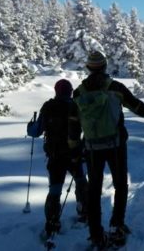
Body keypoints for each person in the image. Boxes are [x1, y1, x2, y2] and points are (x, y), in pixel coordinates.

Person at [69, 51, 144, 250]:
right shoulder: (115, 88)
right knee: (120, 184)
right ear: (104, 66)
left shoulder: (78, 93)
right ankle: (116, 226)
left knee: (93, 190)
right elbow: (139, 108)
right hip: (115, 145)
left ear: (88, 68)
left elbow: (74, 124)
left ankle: (95, 234)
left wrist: (74, 148)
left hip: (92, 147)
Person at [27, 79, 88, 238]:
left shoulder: (48, 106)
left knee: (55, 190)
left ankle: (52, 222)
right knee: (81, 182)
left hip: (55, 155)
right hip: (74, 153)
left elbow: (35, 131)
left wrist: (30, 125)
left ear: (56, 91)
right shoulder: (76, 106)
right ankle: (84, 211)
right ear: (70, 91)